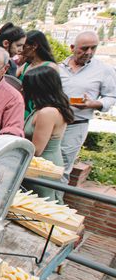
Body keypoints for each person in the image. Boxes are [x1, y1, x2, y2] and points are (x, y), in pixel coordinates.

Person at [59, 31, 116, 183]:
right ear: (72, 47)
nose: (89, 52)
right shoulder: (58, 67)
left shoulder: (104, 70)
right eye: (84, 48)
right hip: (52, 123)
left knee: (62, 169)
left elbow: (111, 97)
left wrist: (93, 104)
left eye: (93, 48)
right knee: (44, 164)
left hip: (76, 125)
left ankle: (54, 203)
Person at [22, 66, 75, 201]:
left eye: (27, 86)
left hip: (43, 167)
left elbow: (37, 150)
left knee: (40, 204)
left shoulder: (48, 112)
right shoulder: (41, 109)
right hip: (38, 164)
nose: (23, 90)